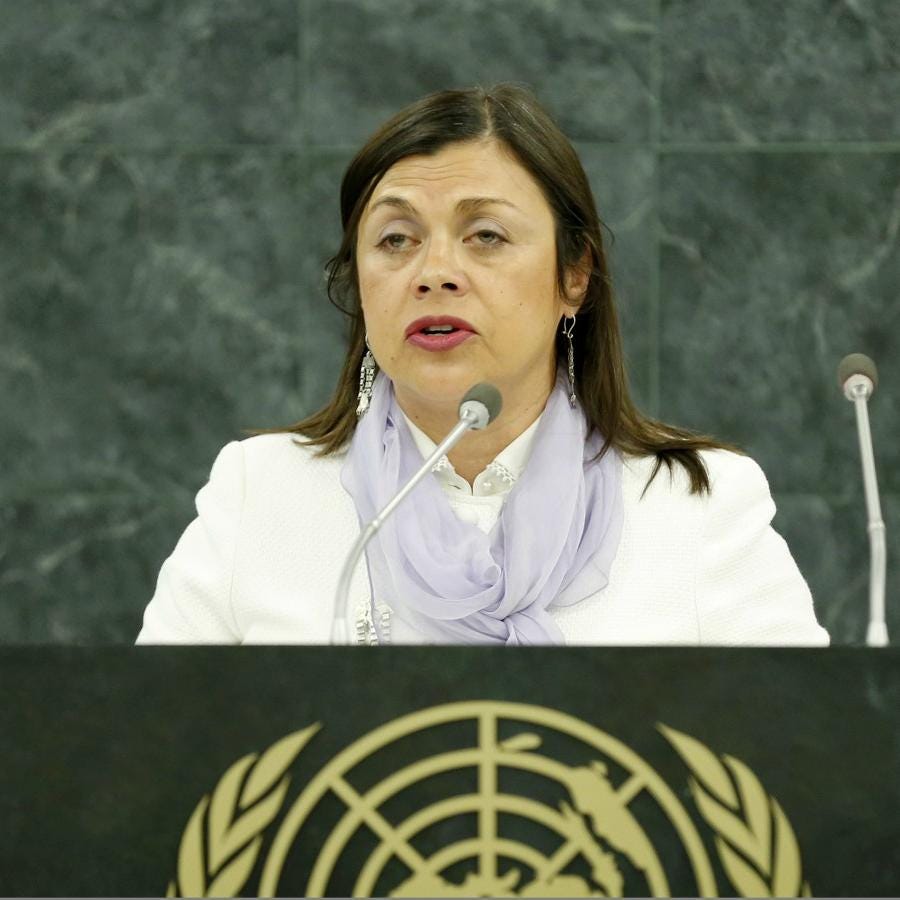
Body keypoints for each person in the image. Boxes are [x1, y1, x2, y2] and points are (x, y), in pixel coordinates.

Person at [136, 83, 829, 647]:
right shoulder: (264, 493)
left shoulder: (696, 507)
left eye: (486, 235)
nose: (435, 272)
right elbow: (138, 762)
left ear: (574, 275)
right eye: (396, 238)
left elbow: (807, 771)